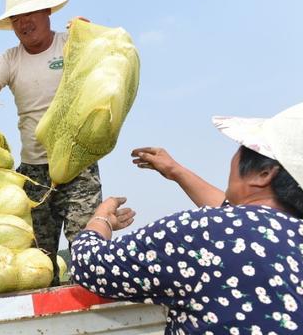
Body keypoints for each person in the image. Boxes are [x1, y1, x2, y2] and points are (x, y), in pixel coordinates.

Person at [70, 103, 303, 334]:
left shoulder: (204, 232)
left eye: (242, 148)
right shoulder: (289, 236)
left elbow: (90, 264)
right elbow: (242, 221)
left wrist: (100, 221)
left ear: (264, 174)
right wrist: (176, 171)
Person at [0, 0, 102, 284]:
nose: (24, 23)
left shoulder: (69, 44)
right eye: (16, 18)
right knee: (36, 259)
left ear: (46, 13)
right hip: (34, 173)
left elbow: (102, 58)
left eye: (30, 14)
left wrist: (90, 35)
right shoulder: (10, 59)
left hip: (78, 166)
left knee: (86, 249)